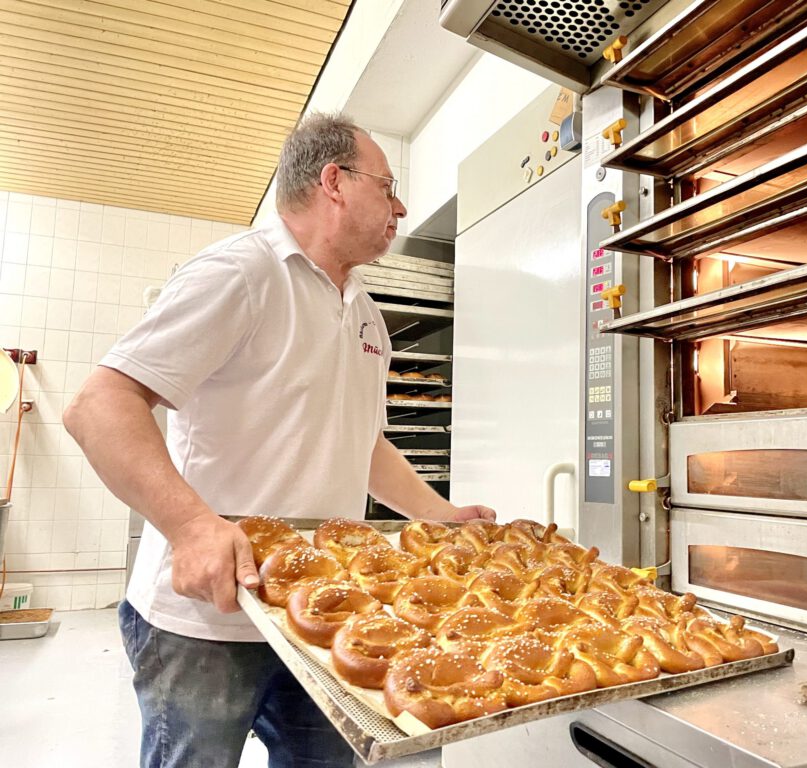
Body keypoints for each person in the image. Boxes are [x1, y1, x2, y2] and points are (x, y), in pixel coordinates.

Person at [63, 113, 496, 768]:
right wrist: (191, 527)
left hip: (320, 614)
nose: (401, 206)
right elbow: (99, 405)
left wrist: (438, 515)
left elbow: (361, 441)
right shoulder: (241, 273)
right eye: (388, 187)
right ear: (335, 183)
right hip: (206, 622)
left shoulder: (365, 309)